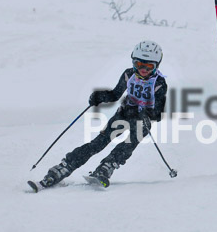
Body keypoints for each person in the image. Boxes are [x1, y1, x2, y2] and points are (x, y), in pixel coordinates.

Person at [32, 40, 167, 189]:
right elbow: (115, 94)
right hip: (124, 114)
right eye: (139, 64)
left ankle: (107, 166)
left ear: (156, 66)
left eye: (148, 66)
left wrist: (146, 113)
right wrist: (100, 96)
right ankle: (66, 166)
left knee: (129, 144)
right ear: (133, 62)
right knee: (99, 142)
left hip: (143, 121)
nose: (142, 69)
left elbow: (158, 114)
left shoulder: (159, 83)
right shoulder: (128, 74)